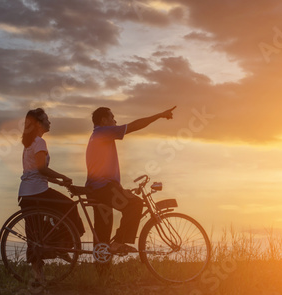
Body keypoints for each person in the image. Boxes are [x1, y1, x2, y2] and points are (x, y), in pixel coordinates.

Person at [85, 106, 176, 253]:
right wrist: (159, 115)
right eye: (112, 118)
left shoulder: (97, 134)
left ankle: (103, 272)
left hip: (98, 188)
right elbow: (133, 126)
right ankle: (119, 242)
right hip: (103, 188)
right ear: (103, 120)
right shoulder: (103, 132)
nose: (115, 121)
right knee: (135, 204)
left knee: (103, 235)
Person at [18, 108, 85, 276]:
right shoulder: (39, 142)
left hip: (26, 194)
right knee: (70, 207)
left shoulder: (29, 143)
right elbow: (41, 169)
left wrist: (59, 182)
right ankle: (62, 245)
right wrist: (63, 176)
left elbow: (34, 172)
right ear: (39, 124)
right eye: (46, 119)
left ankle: (38, 276)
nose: (50, 122)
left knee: (35, 234)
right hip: (38, 192)